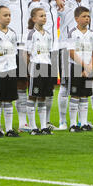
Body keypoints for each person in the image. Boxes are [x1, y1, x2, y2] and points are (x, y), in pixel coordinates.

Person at [0, 0, 34, 133]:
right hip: (8, 46)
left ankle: (22, 122)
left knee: (23, 83)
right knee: (5, 85)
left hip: (24, 46)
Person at [56, 0, 89, 131]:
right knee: (65, 85)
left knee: (84, 85)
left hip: (85, 48)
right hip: (66, 46)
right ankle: (63, 121)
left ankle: (82, 121)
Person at [28, 0, 59, 129]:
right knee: (33, 91)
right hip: (38, 55)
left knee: (49, 89)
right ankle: (31, 123)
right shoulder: (35, 2)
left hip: (52, 50)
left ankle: (45, 122)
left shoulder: (55, 2)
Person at [0, 6, 20, 138]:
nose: (8, 18)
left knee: (9, 100)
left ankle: (9, 129)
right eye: (5, 15)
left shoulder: (12, 33)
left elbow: (14, 52)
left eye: (9, 15)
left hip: (11, 69)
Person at [67, 6, 93, 132]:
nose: (87, 19)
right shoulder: (72, 33)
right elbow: (71, 52)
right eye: (84, 16)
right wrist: (85, 66)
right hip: (76, 66)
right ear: (76, 19)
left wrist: (91, 66)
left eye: (88, 16)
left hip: (89, 66)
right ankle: (73, 124)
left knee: (85, 95)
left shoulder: (92, 34)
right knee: (75, 95)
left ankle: (84, 123)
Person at [26, 8, 55, 136]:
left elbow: (49, 52)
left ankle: (43, 126)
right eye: (41, 16)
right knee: (33, 95)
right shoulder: (31, 34)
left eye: (45, 16)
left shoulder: (48, 35)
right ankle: (33, 127)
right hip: (35, 66)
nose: (44, 18)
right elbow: (27, 53)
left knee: (43, 96)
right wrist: (28, 70)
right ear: (34, 19)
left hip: (46, 65)